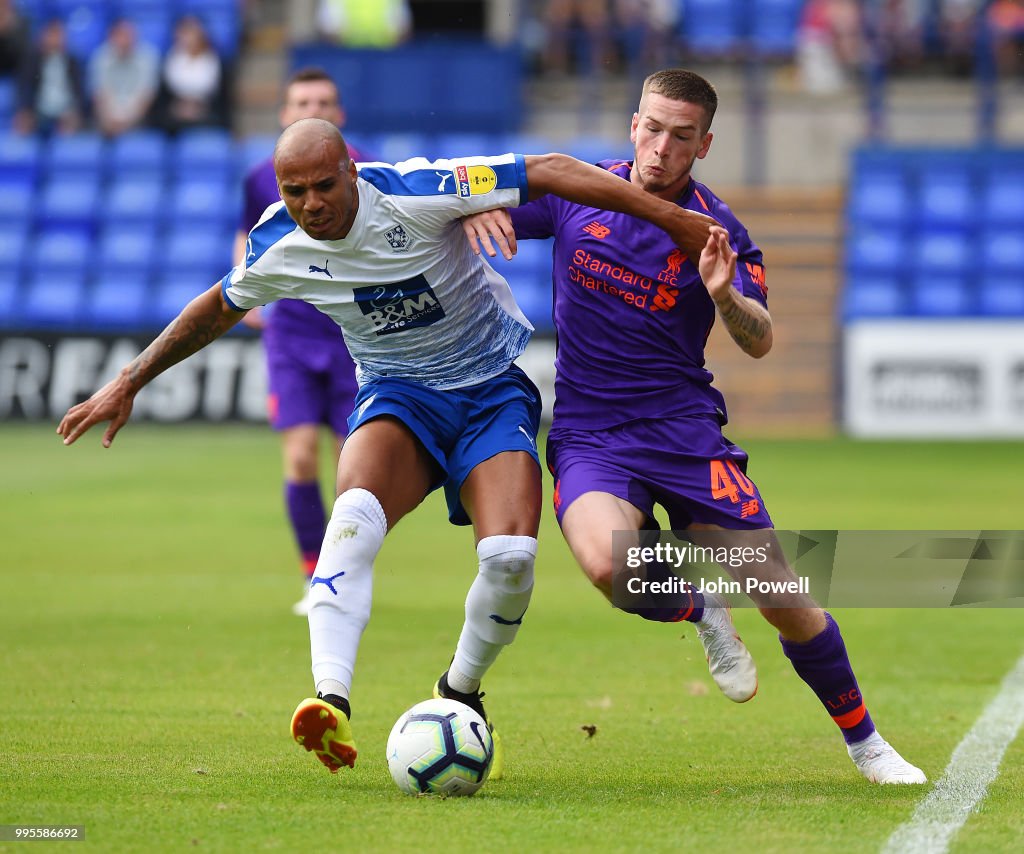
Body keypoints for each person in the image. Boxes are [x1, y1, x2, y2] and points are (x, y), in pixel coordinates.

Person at [57, 118, 718, 778]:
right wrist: (128, 379)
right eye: (295, 191)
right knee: (350, 523)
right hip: (399, 398)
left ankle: (461, 687)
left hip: (494, 392)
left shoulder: (418, 189)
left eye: (323, 185)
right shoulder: (279, 241)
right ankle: (329, 700)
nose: (312, 204)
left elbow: (547, 168)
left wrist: (676, 222)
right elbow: (217, 306)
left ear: (351, 169)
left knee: (512, 560)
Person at [461, 69, 926, 785]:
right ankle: (702, 606)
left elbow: (760, 338)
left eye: (681, 136)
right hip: (591, 435)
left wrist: (724, 296)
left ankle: (866, 744)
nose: (661, 147)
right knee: (608, 566)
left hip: (684, 437)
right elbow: (459, 199)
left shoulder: (717, 232)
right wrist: (469, 212)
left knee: (786, 602)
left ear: (703, 144)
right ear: (631, 125)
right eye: (651, 128)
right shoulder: (575, 194)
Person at [232, 68, 368, 617]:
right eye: (302, 100)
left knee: (351, 469)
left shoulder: (364, 168)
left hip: (352, 333)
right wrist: (244, 283)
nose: (313, 107)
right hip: (291, 332)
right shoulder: (260, 177)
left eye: (324, 101)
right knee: (299, 458)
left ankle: (345, 575)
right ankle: (315, 577)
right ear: (285, 113)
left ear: (340, 114)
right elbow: (247, 236)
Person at [151, 15, 230, 134]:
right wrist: (178, 108)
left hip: (207, 114)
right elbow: (163, 97)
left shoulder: (215, 62)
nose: (186, 38)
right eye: (183, 33)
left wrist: (199, 108)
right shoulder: (170, 60)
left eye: (190, 32)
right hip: (175, 115)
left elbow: (222, 100)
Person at [14, 18, 88, 136]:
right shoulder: (33, 60)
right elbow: (24, 87)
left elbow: (80, 91)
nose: (55, 40)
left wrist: (76, 112)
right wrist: (25, 110)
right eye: (52, 35)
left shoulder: (72, 61)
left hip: (65, 110)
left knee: (73, 125)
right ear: (43, 37)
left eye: (58, 35)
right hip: (39, 110)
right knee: (23, 123)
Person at [88, 18, 160, 137]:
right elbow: (99, 94)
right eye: (119, 36)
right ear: (111, 37)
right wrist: (108, 119)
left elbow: (147, 95)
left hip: (139, 120)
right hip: (107, 120)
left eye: (127, 36)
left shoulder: (148, 57)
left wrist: (129, 122)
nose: (124, 41)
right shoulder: (100, 58)